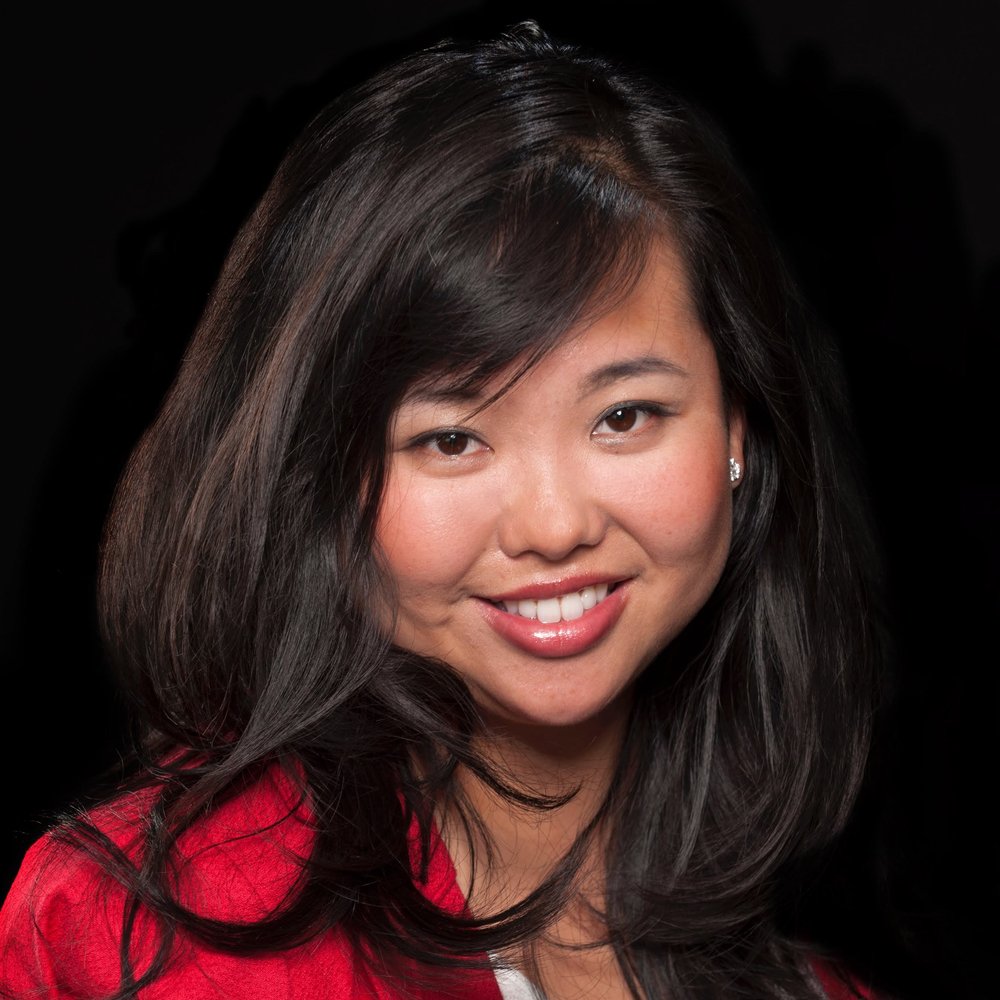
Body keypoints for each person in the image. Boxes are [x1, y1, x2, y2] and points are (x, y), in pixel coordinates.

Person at [1, 21, 884, 1000]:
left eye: (625, 415)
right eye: (452, 438)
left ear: (737, 434)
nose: (552, 526)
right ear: (330, 478)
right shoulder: (145, 933)